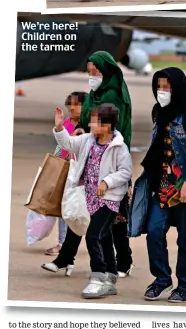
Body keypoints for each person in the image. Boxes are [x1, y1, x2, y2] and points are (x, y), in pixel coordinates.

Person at [43, 51, 134, 278]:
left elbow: (116, 130)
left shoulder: (113, 96)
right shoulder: (95, 94)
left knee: (114, 223)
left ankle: (120, 263)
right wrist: (69, 129)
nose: (91, 76)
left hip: (110, 169)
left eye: (96, 72)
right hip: (91, 165)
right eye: (89, 72)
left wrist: (94, 135)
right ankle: (68, 258)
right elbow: (81, 128)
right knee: (82, 213)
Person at [139, 68, 186, 303]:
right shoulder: (157, 112)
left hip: (185, 189)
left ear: (178, 87)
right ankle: (162, 279)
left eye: (167, 87)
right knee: (153, 232)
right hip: (162, 186)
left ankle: (185, 286)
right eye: (159, 86)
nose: (162, 91)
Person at [53, 103, 133, 298]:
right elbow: (69, 144)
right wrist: (59, 129)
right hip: (91, 197)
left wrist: (107, 182)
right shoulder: (88, 140)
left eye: (95, 121)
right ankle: (111, 276)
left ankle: (97, 277)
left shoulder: (119, 147)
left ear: (106, 126)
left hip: (109, 200)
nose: (90, 124)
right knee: (105, 236)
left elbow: (125, 172)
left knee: (92, 235)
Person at [46, 91, 87, 257]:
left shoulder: (88, 125)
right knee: (66, 207)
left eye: (77, 104)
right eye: (70, 104)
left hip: (82, 174)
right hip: (66, 170)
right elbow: (60, 146)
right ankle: (63, 243)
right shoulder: (66, 123)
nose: (72, 107)